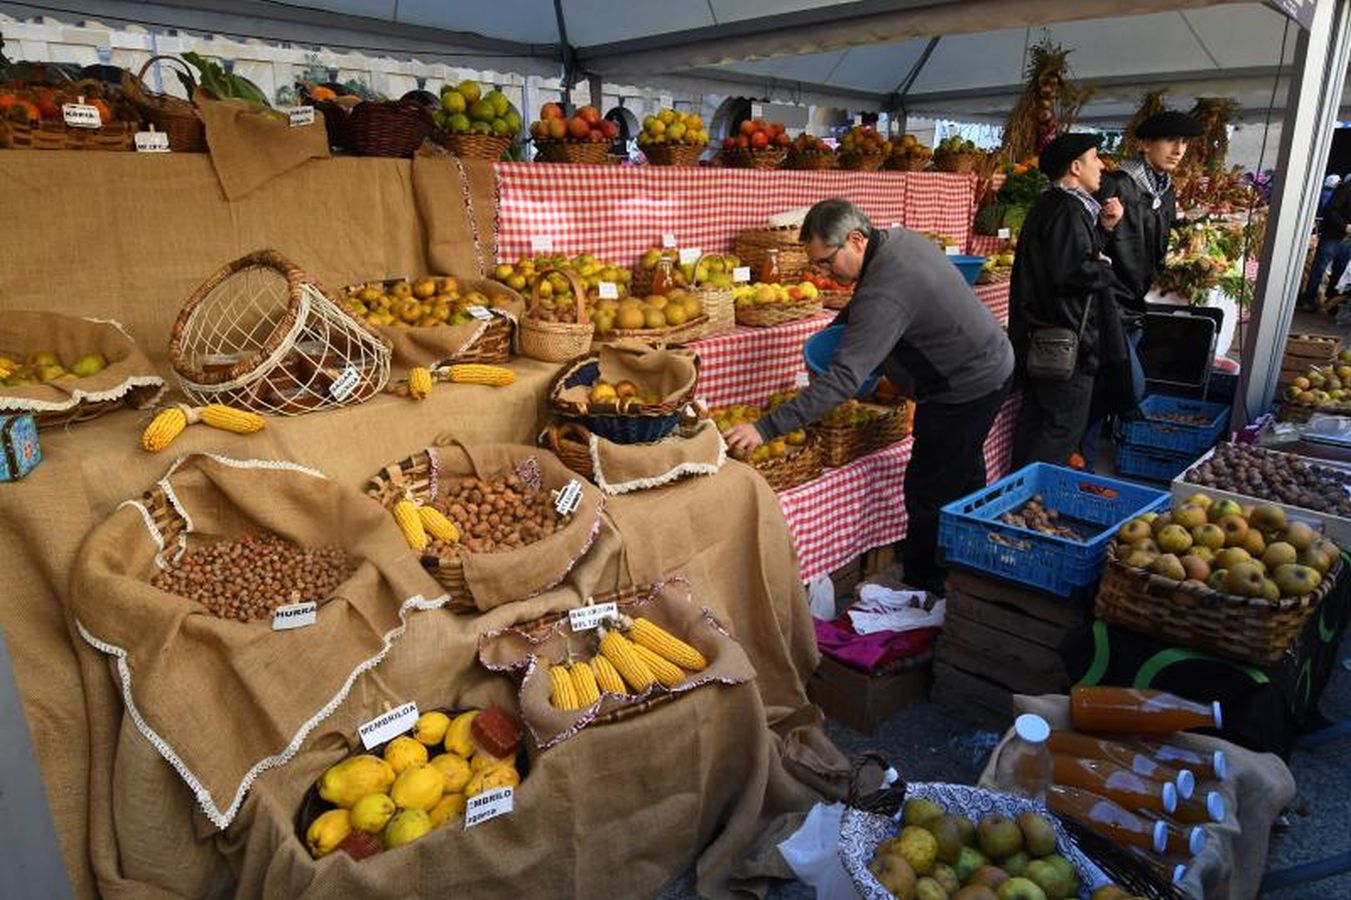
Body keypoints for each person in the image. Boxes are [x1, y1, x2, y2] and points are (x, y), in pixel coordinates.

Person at [721, 199, 1013, 595]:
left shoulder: (884, 290)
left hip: (965, 385)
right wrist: (836, 333)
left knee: (928, 488)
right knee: (961, 468)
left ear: (856, 240)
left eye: (826, 262)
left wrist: (765, 428)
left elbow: (845, 379)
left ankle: (925, 587)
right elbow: (863, 309)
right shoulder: (896, 242)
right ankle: (971, 559)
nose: (823, 272)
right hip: (987, 364)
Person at [1081, 110, 1203, 468]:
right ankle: (1080, 460)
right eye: (1170, 141)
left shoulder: (1166, 190)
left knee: (1107, 387)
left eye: (1184, 143)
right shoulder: (1116, 184)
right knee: (1124, 386)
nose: (1178, 149)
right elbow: (1089, 238)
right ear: (1146, 144)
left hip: (1135, 303)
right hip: (1107, 302)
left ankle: (1086, 460)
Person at [1010, 132, 1128, 469]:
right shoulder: (1067, 209)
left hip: (1046, 337)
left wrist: (1104, 232)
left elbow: (1063, 262)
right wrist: (1104, 268)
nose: (1101, 166)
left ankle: (1016, 493)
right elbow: (1070, 274)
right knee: (1060, 429)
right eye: (1095, 158)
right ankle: (1031, 498)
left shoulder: (1052, 205)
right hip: (1066, 343)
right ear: (1076, 167)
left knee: (1035, 423)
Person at [1301, 173, 1351, 311]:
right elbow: (1330, 210)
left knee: (1340, 271)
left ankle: (1330, 304)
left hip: (1346, 239)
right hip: (1333, 235)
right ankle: (1309, 300)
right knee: (1320, 268)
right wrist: (1344, 226)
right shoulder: (1346, 188)